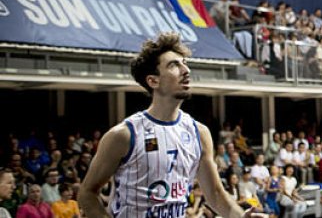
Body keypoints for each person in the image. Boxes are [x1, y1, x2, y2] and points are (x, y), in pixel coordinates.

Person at [78, 32, 268, 218]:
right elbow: (87, 193)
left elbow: (215, 195)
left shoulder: (199, 133)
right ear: (153, 80)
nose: (186, 70)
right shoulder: (124, 135)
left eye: (185, 64)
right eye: (174, 65)